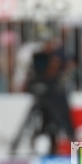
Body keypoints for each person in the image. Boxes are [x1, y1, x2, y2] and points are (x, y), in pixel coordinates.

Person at [9, 27, 75, 156]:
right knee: (41, 123)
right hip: (43, 94)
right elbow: (35, 73)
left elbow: (60, 70)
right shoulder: (37, 56)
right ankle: (20, 147)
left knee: (63, 122)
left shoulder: (59, 53)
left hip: (56, 95)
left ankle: (72, 149)